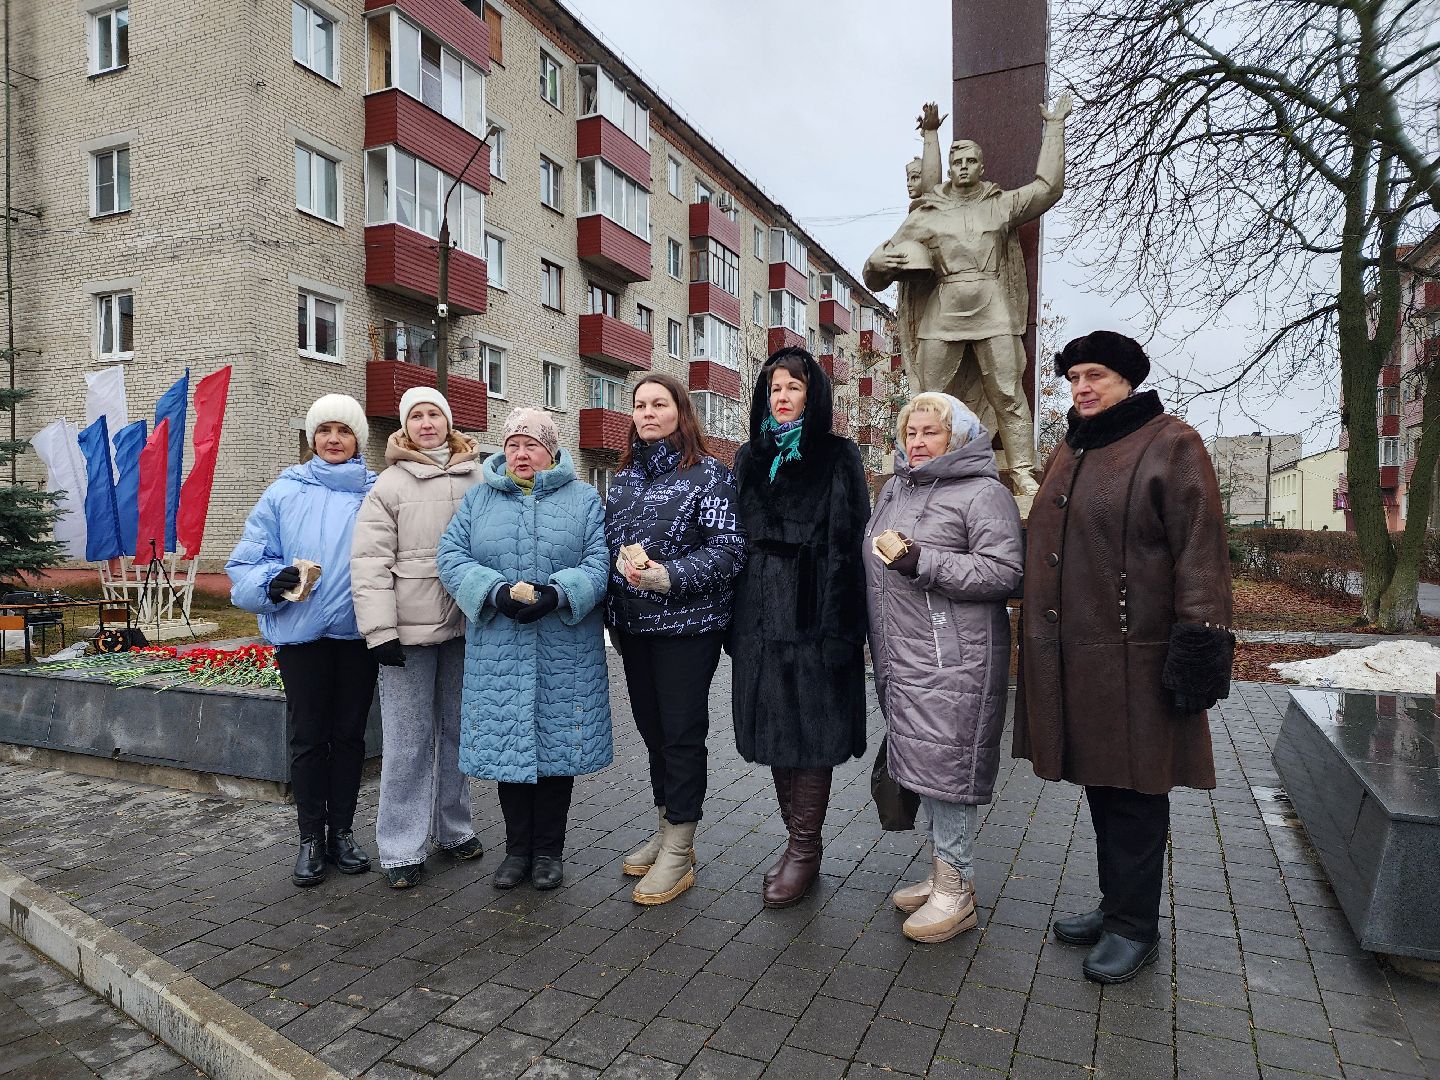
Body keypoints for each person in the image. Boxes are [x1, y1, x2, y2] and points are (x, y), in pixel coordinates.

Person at [1014, 330, 1234, 983]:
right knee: (1105, 786)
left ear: (1127, 381)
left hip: (1140, 659)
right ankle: (1117, 908)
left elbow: (1201, 549)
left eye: (1096, 376)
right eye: (1074, 375)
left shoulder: (1171, 442)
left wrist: (1199, 642)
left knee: (1138, 791)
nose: (1082, 387)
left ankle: (1136, 928)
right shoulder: (1074, 448)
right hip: (1079, 657)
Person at [864, 392, 1023, 941]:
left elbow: (1006, 573)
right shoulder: (896, 489)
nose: (917, 442)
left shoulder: (984, 493)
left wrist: (922, 561)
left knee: (949, 771)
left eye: (930, 432)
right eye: (911, 432)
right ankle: (940, 875)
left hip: (954, 658)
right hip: (902, 654)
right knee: (928, 768)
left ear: (957, 436)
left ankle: (957, 890)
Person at [436, 408, 611, 892]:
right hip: (500, 647)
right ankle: (516, 851)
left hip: (563, 648)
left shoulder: (584, 500)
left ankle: (549, 852)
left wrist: (559, 592)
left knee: (557, 755)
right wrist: (492, 592)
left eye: (531, 444)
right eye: (512, 444)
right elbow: (451, 556)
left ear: (551, 451)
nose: (520, 453)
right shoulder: (479, 499)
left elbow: (601, 561)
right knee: (509, 752)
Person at [864, 96, 1073, 496]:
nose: (962, 168)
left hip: (993, 307)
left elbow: (1049, 188)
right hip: (942, 312)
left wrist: (1055, 128)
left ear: (982, 167)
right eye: (956, 162)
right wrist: (875, 262)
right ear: (949, 168)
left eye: (970, 162)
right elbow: (878, 273)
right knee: (927, 399)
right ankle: (919, 469)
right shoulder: (926, 214)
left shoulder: (1000, 205)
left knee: (1008, 393)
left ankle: (1023, 472)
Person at [730, 347, 870, 907]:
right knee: (772, 731)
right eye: (774, 388)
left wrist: (842, 630)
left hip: (814, 612)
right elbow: (733, 538)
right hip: (756, 615)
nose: (782, 398)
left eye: (793, 388)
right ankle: (796, 843)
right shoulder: (749, 456)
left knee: (811, 734)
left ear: (813, 396)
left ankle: (804, 850)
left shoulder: (838, 456)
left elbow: (848, 544)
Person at [606, 372, 747, 906]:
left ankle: (682, 848)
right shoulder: (623, 481)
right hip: (633, 627)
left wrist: (668, 576)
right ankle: (665, 827)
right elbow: (608, 545)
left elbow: (730, 550)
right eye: (639, 405)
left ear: (680, 413)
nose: (647, 413)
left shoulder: (708, 474)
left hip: (689, 628)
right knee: (651, 731)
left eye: (658, 404)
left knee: (682, 734)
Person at [226, 394, 378, 888]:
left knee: (350, 737)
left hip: (358, 635)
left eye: (344, 430)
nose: (333, 439)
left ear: (359, 439)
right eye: (324, 430)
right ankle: (311, 838)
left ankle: (343, 834)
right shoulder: (283, 493)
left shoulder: (375, 493)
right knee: (310, 738)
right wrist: (271, 582)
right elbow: (245, 565)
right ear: (311, 438)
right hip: (302, 637)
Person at [351, 387, 484, 889]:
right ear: (404, 427)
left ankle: (453, 828)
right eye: (417, 416)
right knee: (407, 741)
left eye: (435, 414)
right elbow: (368, 563)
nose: (427, 423)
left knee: (457, 734)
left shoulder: (478, 476)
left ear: (448, 422)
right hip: (407, 633)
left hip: (468, 625)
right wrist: (380, 630)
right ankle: (401, 846)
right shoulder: (388, 484)